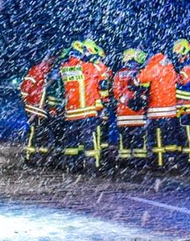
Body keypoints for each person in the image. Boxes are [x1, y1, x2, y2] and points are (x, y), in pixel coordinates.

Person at [59, 40, 110, 170]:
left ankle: (71, 165)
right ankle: (91, 166)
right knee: (89, 141)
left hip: (71, 112)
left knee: (72, 142)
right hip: (86, 110)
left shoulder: (64, 68)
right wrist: (94, 59)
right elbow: (103, 72)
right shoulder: (87, 67)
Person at [138, 46, 183, 170]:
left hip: (156, 108)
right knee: (170, 136)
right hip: (170, 108)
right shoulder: (170, 66)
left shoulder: (154, 65)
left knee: (156, 136)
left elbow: (141, 79)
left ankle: (158, 162)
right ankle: (172, 160)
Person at [112, 48, 149, 164]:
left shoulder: (119, 73)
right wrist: (139, 100)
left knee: (125, 139)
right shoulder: (141, 72)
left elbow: (116, 91)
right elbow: (146, 90)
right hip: (139, 113)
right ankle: (140, 161)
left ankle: (125, 161)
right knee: (140, 138)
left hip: (124, 113)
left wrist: (127, 101)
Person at [19, 54, 55, 165]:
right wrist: (30, 103)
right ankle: (29, 157)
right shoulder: (37, 71)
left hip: (41, 109)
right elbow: (25, 89)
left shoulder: (46, 73)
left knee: (42, 133)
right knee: (33, 132)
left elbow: (48, 93)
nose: (53, 61)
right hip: (34, 108)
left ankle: (41, 158)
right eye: (52, 59)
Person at [172, 38, 190, 169]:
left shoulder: (188, 68)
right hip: (180, 106)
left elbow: (184, 85)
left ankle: (188, 160)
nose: (178, 58)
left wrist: (172, 77)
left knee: (186, 133)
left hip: (185, 107)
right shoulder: (184, 67)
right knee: (180, 134)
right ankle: (182, 158)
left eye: (179, 55)